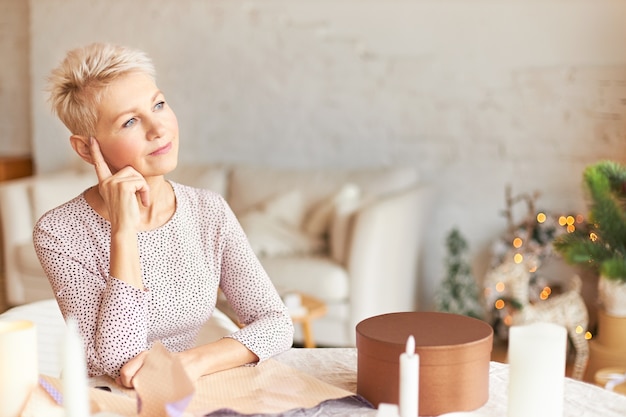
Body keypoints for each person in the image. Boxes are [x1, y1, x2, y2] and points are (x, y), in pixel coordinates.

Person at [33, 42, 294, 388]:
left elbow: (276, 323)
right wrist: (123, 231)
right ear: (85, 148)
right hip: (103, 403)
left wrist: (190, 362)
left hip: (183, 390)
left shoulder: (208, 211)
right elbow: (118, 362)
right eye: (129, 122)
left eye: (158, 104)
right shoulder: (59, 232)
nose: (158, 129)